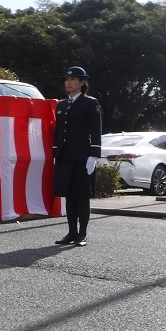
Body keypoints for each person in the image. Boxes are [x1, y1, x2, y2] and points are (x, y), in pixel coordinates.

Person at [53, 66, 102, 247]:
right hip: (65, 156)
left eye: (73, 79)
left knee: (81, 196)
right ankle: (72, 232)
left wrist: (94, 155)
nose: (69, 82)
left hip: (82, 156)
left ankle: (82, 234)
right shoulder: (61, 105)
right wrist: (55, 152)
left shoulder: (90, 103)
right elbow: (58, 131)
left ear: (82, 82)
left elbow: (96, 131)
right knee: (68, 195)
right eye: (67, 79)